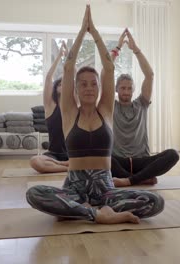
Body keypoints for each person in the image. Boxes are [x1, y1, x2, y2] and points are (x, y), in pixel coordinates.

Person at [26, 5, 164, 224]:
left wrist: (95, 33)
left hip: (106, 189)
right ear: (76, 90)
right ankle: (96, 214)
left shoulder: (106, 112)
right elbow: (69, 66)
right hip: (74, 186)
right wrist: (82, 31)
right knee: (34, 194)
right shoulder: (70, 113)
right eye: (83, 84)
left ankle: (79, 211)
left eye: (93, 84)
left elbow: (109, 69)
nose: (89, 88)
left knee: (155, 202)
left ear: (99, 88)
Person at [109, 29, 180, 187]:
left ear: (134, 89)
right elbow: (106, 71)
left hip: (142, 160)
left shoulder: (141, 104)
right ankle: (140, 179)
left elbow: (150, 75)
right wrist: (118, 47)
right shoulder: (110, 106)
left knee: (173, 154)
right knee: (100, 155)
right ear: (116, 89)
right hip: (119, 162)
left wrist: (136, 50)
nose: (126, 91)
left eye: (129, 88)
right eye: (122, 88)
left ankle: (129, 180)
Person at [29, 42, 69, 173]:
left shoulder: (74, 107)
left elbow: (74, 76)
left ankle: (64, 165)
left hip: (72, 154)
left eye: (66, 83)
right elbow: (48, 78)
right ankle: (67, 167)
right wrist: (59, 57)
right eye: (60, 84)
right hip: (54, 154)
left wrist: (69, 58)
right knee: (35, 161)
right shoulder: (50, 106)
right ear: (56, 88)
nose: (63, 85)